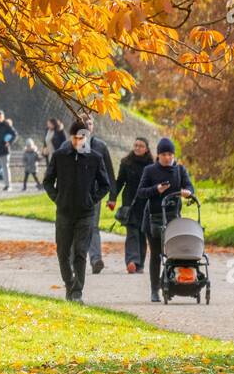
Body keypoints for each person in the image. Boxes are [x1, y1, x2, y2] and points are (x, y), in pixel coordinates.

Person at [42, 120, 112, 302]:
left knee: (80, 252)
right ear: (70, 137)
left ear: (86, 138)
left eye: (82, 138)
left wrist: (92, 199)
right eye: (75, 137)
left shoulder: (95, 158)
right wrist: (57, 198)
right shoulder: (60, 156)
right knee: (63, 252)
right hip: (64, 212)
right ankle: (69, 283)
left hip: (85, 213)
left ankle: (77, 292)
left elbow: (105, 184)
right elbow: (48, 181)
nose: (78, 141)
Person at [135, 137, 195, 302]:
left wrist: (187, 192)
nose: (167, 158)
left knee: (172, 253)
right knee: (156, 254)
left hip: (173, 220)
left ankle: (164, 282)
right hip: (153, 219)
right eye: (164, 154)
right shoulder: (150, 170)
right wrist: (156, 189)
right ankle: (154, 290)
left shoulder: (180, 170)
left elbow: (190, 187)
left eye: (170, 154)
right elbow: (141, 192)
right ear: (158, 155)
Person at [60, 113, 114, 274]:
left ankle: (96, 259)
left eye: (90, 123)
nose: (88, 126)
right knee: (71, 227)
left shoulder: (100, 147)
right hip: (71, 196)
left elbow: (109, 174)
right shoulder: (65, 147)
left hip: (93, 195)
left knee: (93, 227)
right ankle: (70, 261)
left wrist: (111, 196)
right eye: (84, 123)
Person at [109, 138, 154, 275]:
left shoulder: (152, 165)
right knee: (132, 233)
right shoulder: (126, 163)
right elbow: (119, 182)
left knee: (142, 234)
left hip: (146, 204)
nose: (137, 148)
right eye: (135, 145)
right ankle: (132, 261)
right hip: (130, 203)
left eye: (141, 146)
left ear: (146, 149)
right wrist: (112, 198)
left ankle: (139, 264)